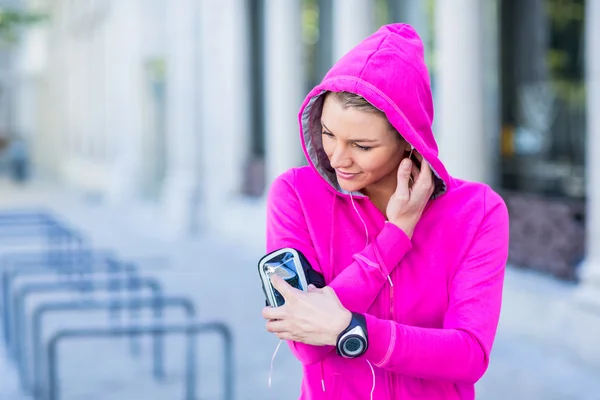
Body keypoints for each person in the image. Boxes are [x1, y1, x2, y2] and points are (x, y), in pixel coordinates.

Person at [261, 23, 509, 400]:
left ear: (408, 139)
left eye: (361, 145)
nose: (337, 157)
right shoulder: (295, 195)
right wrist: (393, 238)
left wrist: (350, 330)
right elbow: (307, 347)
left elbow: (469, 355)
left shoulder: (479, 212)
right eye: (328, 133)